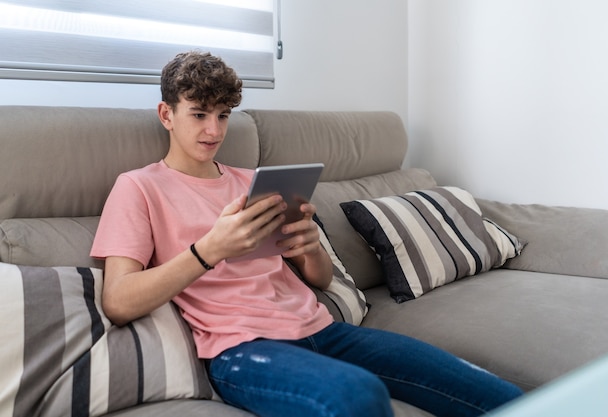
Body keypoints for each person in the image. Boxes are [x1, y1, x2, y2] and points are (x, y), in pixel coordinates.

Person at [91, 51, 523, 417]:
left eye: (223, 116)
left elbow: (316, 280)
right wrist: (209, 251)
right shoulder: (139, 187)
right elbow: (118, 300)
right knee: (357, 395)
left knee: (489, 389)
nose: (214, 131)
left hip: (320, 328)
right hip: (240, 349)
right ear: (167, 114)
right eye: (199, 114)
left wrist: (311, 246)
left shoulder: (254, 182)